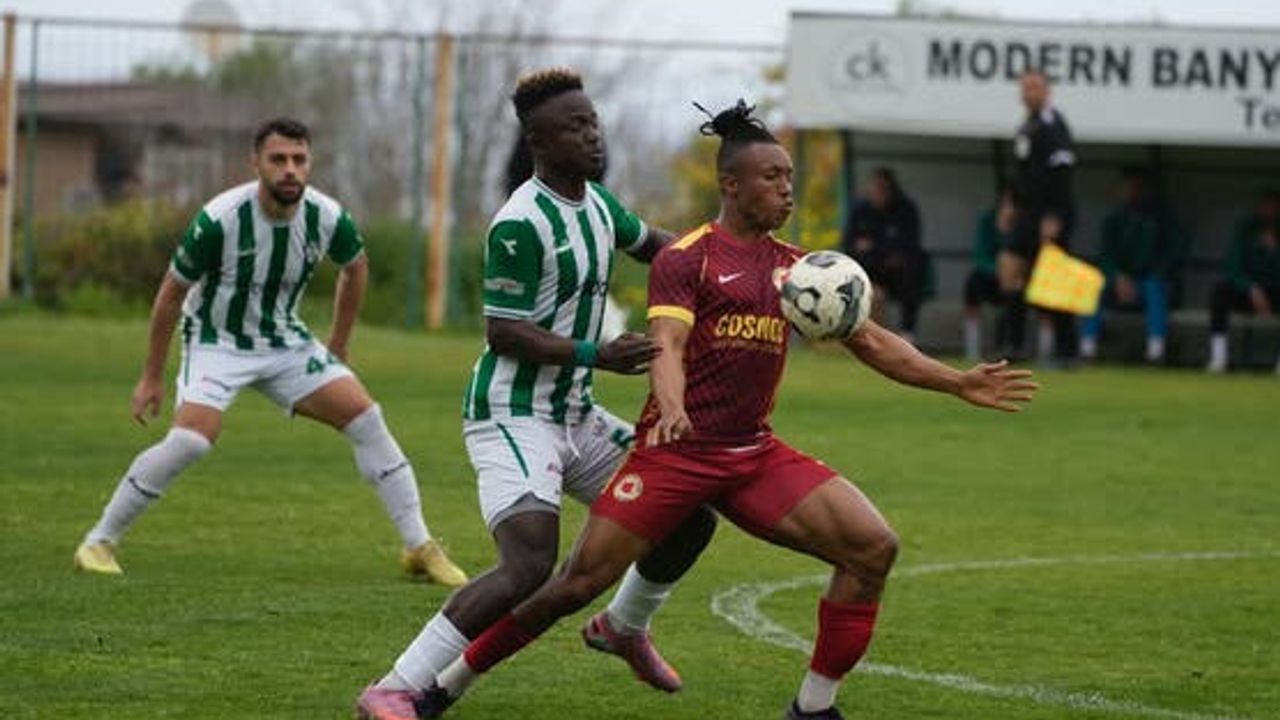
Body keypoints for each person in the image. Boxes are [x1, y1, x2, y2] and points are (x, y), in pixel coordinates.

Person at [410, 101, 1038, 720]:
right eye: (772, 177)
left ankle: (813, 709)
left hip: (752, 456)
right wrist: (672, 407)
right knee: (573, 584)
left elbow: (872, 341)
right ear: (731, 185)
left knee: (873, 548)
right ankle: (446, 686)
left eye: (789, 177)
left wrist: (957, 382)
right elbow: (668, 344)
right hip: (675, 455)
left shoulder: (797, 272)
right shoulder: (689, 258)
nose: (786, 189)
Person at [355, 69, 716, 719]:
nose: (593, 135)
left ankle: (624, 626)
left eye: (592, 122)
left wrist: (728, 266)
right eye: (575, 127)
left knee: (689, 515)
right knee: (527, 564)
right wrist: (597, 354)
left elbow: (659, 250)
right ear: (539, 142)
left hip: (575, 415)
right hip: (512, 413)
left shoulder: (599, 205)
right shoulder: (520, 223)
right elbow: (503, 332)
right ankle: (394, 686)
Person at [72, 118, 467, 586]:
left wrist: (339, 345)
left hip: (283, 341)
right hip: (217, 340)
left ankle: (418, 547)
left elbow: (355, 268)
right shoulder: (221, 219)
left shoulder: (326, 216)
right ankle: (98, 541)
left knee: (367, 419)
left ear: (310, 163)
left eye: (299, 159)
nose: (290, 169)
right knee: (192, 441)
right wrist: (151, 376)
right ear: (255, 163)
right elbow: (171, 294)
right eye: (278, 159)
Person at [1000, 69, 1078, 365]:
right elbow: (1020, 172)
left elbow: (1062, 173)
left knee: (1054, 281)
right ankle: (1014, 345)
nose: (1027, 92)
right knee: (1010, 269)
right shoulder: (1026, 126)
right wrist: (1009, 204)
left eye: (1034, 87)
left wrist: (1054, 216)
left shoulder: (1054, 125)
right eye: (1024, 87)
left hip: (1049, 215)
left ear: (1046, 91)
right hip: (1027, 214)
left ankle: (1067, 351)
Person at [1081, 169, 1187, 364]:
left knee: (1154, 286)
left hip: (1152, 283)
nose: (1130, 194)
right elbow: (1106, 256)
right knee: (1092, 286)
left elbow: (1171, 257)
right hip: (1119, 283)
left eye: (1136, 189)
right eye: (1127, 189)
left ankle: (1156, 351)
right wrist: (1118, 277)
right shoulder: (1114, 221)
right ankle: (1087, 348)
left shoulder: (1165, 221)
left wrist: (1145, 277)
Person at [841, 167, 926, 344]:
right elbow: (849, 245)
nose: (877, 194)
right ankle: (858, 336)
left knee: (912, 272)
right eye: (874, 189)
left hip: (897, 271)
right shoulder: (860, 210)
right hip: (868, 269)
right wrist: (881, 248)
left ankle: (907, 333)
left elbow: (908, 245)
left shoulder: (905, 209)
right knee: (865, 287)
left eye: (882, 189)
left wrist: (873, 246)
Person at [1206, 188, 1280, 374]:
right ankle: (1218, 357)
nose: (1270, 210)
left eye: (1274, 206)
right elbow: (1233, 268)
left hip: (1274, 293)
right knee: (1220, 291)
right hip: (1247, 293)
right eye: (1267, 205)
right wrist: (1251, 288)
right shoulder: (1245, 229)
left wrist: (1275, 251)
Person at [963, 188, 1016, 360]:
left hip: (1019, 280)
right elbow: (980, 256)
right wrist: (999, 271)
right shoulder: (988, 220)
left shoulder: (1025, 225)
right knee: (972, 282)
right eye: (1006, 203)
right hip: (992, 276)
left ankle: (1015, 348)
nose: (1009, 208)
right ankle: (972, 350)